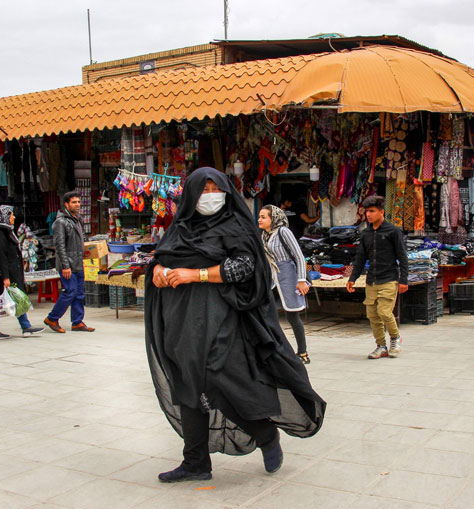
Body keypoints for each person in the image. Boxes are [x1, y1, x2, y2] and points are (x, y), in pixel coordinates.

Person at [144, 167, 325, 483]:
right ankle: (196, 462)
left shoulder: (235, 226)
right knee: (187, 386)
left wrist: (195, 274)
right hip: (181, 319)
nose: (210, 195)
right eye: (204, 188)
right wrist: (159, 268)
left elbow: (245, 267)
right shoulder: (180, 227)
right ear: (190, 194)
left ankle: (265, 435)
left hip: (221, 316)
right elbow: (162, 256)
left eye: (216, 188)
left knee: (216, 383)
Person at [346, 195, 409, 359]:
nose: (369, 215)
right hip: (371, 279)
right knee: (372, 315)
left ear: (381, 212)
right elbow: (360, 257)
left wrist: (404, 280)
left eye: (372, 211)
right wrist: (352, 278)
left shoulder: (393, 231)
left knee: (384, 312)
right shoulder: (366, 234)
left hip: (389, 278)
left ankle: (395, 338)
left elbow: (402, 257)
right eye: (367, 211)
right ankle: (381, 346)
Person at [0, 206, 45, 340]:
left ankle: (25, 327)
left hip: (8, 273)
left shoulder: (5, 231)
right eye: (11, 215)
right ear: (3, 216)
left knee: (16, 298)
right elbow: (1, 257)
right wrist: (5, 277)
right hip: (0, 275)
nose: (14, 217)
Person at [258, 205, 311, 364]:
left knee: (292, 316)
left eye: (263, 217)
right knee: (266, 312)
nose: (259, 219)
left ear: (273, 218)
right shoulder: (265, 235)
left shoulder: (283, 232)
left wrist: (301, 280)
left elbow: (299, 256)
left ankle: (302, 353)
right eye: (259, 216)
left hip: (289, 276)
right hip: (274, 278)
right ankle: (274, 349)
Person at [44, 191, 94, 333]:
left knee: (79, 293)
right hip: (68, 264)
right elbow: (59, 246)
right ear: (66, 204)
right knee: (70, 292)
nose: (77, 204)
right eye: (74, 202)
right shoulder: (60, 222)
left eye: (78, 202)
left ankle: (77, 322)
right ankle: (52, 318)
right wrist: (65, 266)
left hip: (78, 262)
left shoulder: (77, 219)